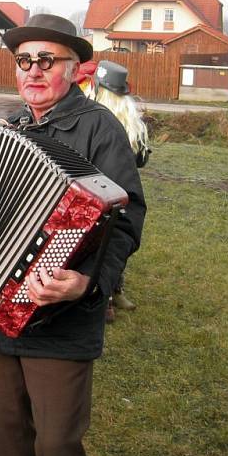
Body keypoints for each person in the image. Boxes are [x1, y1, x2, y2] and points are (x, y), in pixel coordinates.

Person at [0, 14, 146, 456]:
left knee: (55, 444)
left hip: (62, 316)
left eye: (46, 59)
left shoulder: (99, 129)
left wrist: (91, 284)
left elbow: (128, 221)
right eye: (23, 60)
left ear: (72, 69)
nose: (33, 69)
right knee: (8, 432)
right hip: (1, 312)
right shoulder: (7, 128)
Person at [78, 59, 149, 321]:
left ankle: (112, 290)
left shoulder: (128, 123)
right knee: (100, 239)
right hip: (90, 190)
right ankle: (106, 296)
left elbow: (141, 159)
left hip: (117, 189)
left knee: (115, 235)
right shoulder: (90, 117)